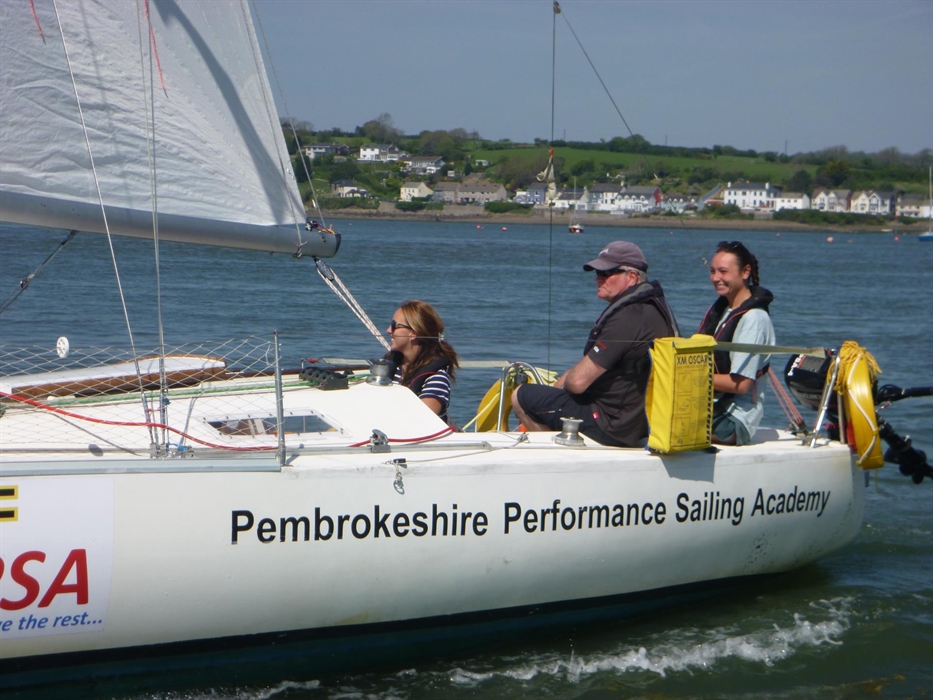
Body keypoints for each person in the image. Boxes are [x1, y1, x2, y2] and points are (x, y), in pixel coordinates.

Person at [512, 241, 679, 447]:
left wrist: (565, 383)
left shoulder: (628, 317)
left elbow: (578, 383)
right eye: (597, 273)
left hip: (613, 425)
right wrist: (566, 379)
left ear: (632, 277)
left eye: (606, 273)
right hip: (638, 421)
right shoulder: (651, 308)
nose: (598, 278)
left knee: (521, 395)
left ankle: (559, 455)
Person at [697, 240, 776, 445]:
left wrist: (688, 377)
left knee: (672, 427)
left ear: (745, 272)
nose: (715, 278)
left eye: (723, 271)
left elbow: (741, 384)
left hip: (736, 419)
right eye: (712, 271)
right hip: (716, 405)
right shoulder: (725, 310)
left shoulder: (754, 319)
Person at [386, 300, 459, 423]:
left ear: (413, 333)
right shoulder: (391, 367)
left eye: (395, 326)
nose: (388, 330)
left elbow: (420, 422)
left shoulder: (436, 380)